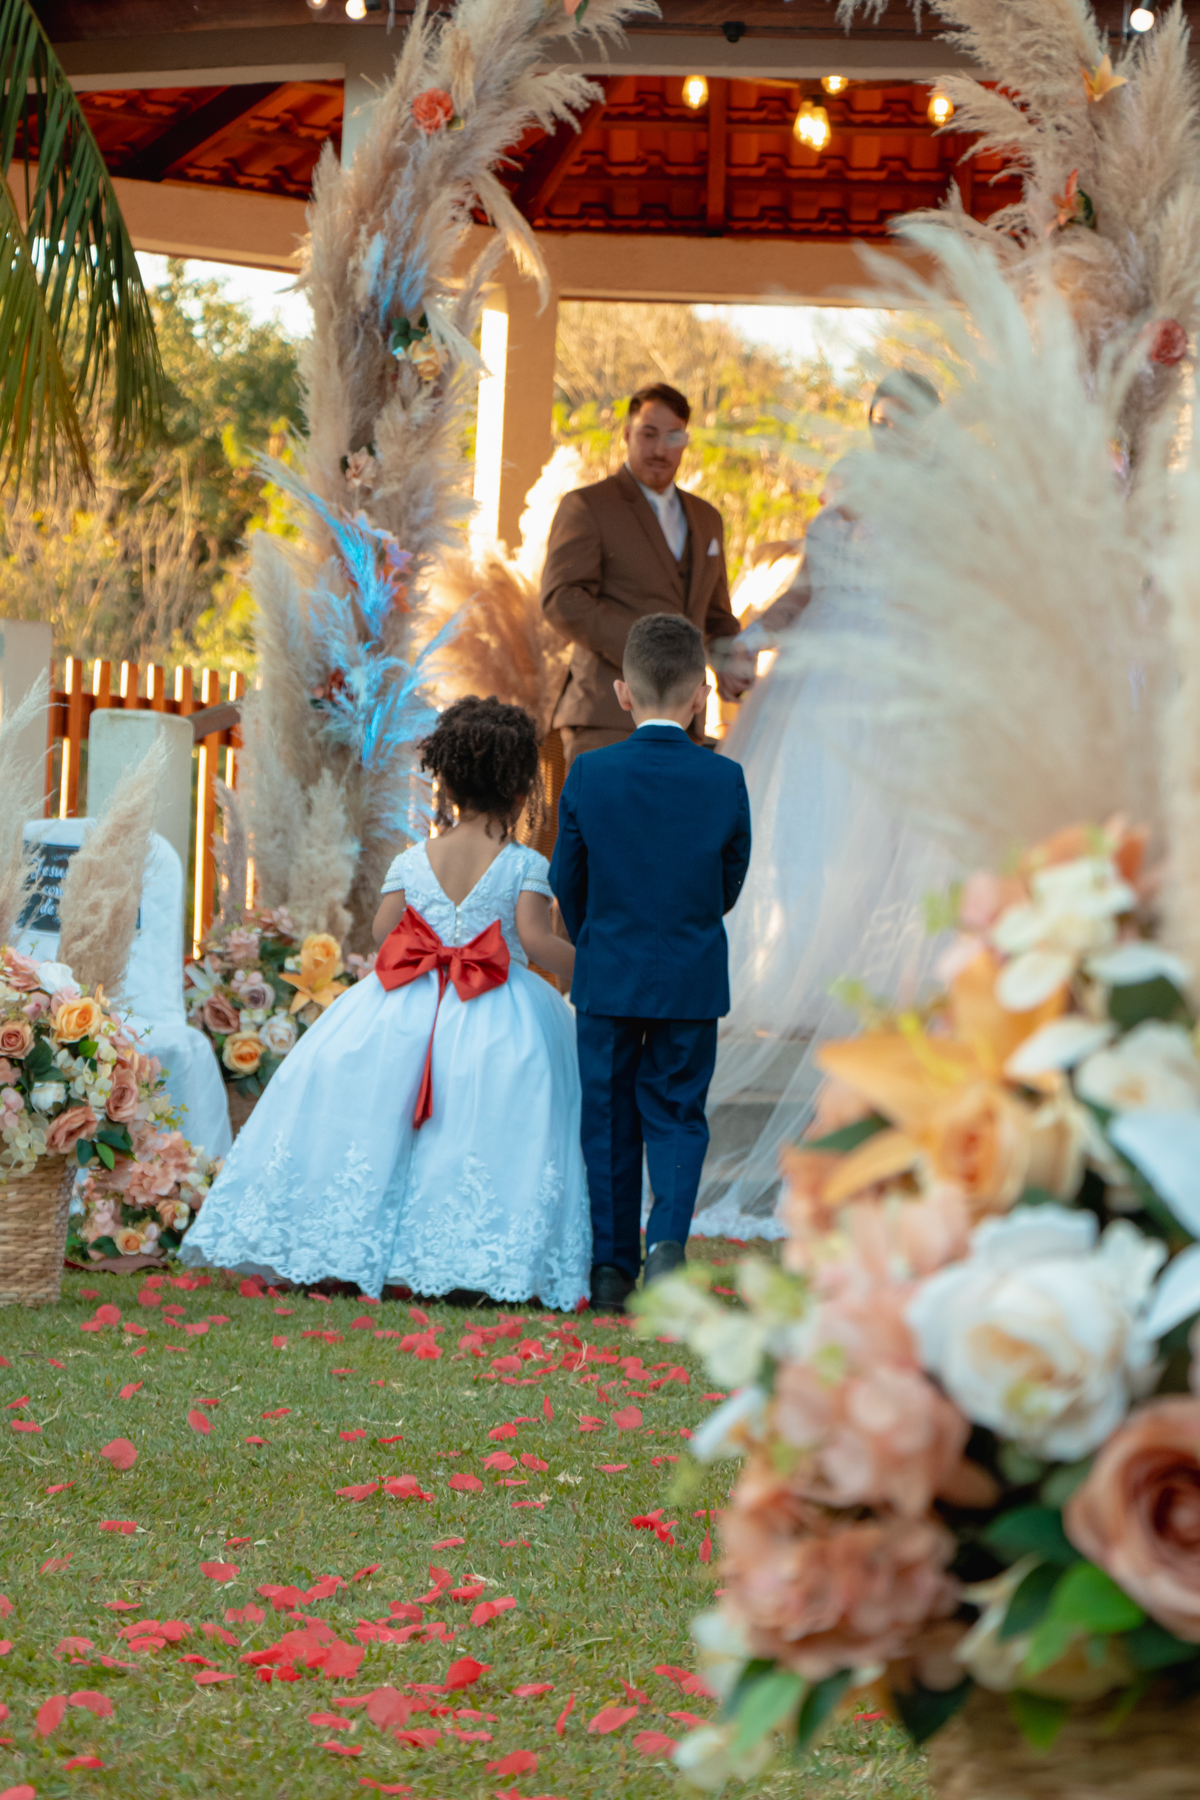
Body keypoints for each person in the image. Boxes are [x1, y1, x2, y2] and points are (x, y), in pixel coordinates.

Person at [181, 698, 591, 1310]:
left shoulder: (411, 859)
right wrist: (593, 967)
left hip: (404, 1003)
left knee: (387, 1123)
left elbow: (381, 935)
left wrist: (431, 943)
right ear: (521, 785)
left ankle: (363, 1250)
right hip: (498, 1008)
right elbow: (533, 943)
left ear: (446, 780)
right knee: (478, 1123)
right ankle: (469, 1258)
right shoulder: (525, 864)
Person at [702, 368, 956, 1227]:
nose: (890, 432)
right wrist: (751, 636)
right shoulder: (840, 495)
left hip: (893, 692)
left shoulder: (943, 512)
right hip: (816, 693)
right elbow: (805, 594)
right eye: (880, 418)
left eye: (904, 420)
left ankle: (871, 990)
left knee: (875, 843)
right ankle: (803, 990)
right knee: (803, 837)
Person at [550, 614, 752, 1313]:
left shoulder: (590, 773)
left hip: (608, 970)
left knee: (606, 1116)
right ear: (700, 695)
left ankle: (610, 1270)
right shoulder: (725, 779)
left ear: (622, 693)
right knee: (677, 1111)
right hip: (691, 973)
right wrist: (686, 924)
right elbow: (729, 880)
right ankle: (666, 1245)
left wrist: (598, 934)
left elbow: (566, 879)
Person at [540, 382, 757, 770]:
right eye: (648, 434)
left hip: (686, 726)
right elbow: (563, 600)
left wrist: (730, 661)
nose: (660, 449)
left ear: (686, 440)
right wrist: (652, 653)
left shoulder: (708, 518)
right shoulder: (588, 505)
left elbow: (717, 615)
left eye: (673, 436)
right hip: (606, 720)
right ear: (627, 435)